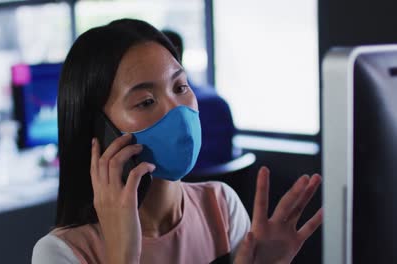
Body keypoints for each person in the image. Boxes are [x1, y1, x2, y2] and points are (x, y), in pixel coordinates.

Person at [32, 19, 322, 264]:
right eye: (146, 101)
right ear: (100, 128)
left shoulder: (221, 206)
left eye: (180, 87)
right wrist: (123, 254)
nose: (178, 111)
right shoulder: (61, 253)